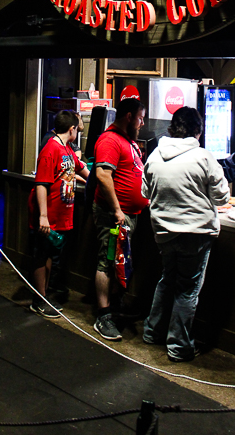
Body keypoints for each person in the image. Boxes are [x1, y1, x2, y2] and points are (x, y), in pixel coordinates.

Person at [142, 106, 229, 362]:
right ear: (197, 131)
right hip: (195, 233)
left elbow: (146, 192)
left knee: (167, 280)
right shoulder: (203, 157)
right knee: (187, 289)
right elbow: (222, 196)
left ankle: (152, 331)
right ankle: (179, 346)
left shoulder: (155, 155)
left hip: (163, 232)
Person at [92, 97, 149, 341]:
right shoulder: (110, 140)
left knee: (120, 263)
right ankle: (103, 315)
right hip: (113, 216)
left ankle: (115, 306)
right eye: (140, 117)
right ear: (129, 116)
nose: (142, 122)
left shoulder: (128, 141)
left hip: (129, 216)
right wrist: (117, 211)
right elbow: (102, 175)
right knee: (107, 259)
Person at [29, 110, 89, 317]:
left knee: (50, 254)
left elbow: (79, 168)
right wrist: (43, 216)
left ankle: (44, 295)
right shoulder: (51, 148)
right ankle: (38, 299)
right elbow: (41, 184)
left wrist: (96, 180)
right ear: (71, 129)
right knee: (42, 253)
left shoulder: (66, 148)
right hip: (49, 213)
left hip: (61, 213)